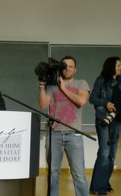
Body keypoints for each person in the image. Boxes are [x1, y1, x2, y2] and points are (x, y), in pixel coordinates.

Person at [38, 56, 90, 196]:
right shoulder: (52, 85)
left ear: (75, 69)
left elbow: (81, 101)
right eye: (64, 66)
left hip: (74, 134)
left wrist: (64, 88)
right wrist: (42, 85)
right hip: (54, 134)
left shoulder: (81, 83)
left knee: (78, 173)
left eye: (70, 66)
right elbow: (43, 105)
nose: (67, 68)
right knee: (53, 172)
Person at [89, 57, 121, 195]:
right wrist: (106, 103)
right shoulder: (101, 80)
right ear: (111, 66)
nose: (120, 67)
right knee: (104, 153)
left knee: (112, 155)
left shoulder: (120, 80)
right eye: (118, 65)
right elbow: (92, 98)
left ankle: (104, 183)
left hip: (116, 121)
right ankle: (97, 187)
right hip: (103, 120)